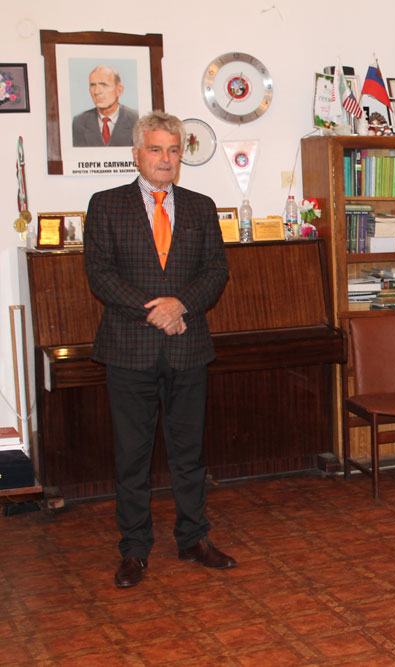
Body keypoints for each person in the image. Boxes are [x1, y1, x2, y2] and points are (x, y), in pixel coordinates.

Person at [84, 111, 234, 589]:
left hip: (189, 348)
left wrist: (180, 305)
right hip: (129, 349)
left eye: (173, 150)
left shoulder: (201, 207)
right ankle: (134, 549)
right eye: (156, 149)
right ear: (137, 154)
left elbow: (216, 271)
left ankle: (193, 538)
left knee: (189, 454)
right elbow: (100, 274)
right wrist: (155, 311)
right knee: (132, 456)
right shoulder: (106, 205)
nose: (165, 158)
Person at [72, 65, 139, 147]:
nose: (96, 92)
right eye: (93, 85)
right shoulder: (79, 122)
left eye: (104, 85)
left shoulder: (137, 120)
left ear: (119, 90)